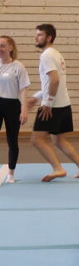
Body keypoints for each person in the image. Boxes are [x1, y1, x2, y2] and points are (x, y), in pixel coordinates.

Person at [29, 24, 79, 182]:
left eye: (40, 35)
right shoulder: (56, 54)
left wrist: (47, 103)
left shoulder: (46, 55)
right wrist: (36, 97)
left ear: (49, 37)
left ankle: (58, 169)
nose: (36, 37)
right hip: (63, 104)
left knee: (37, 139)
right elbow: (53, 82)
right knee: (58, 139)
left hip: (53, 106)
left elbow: (54, 80)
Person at [0, 35, 31, 183]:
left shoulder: (18, 66)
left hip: (12, 105)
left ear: (10, 48)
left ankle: (11, 172)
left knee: (12, 140)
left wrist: (24, 110)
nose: (0, 48)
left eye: (2, 45)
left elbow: (23, 90)